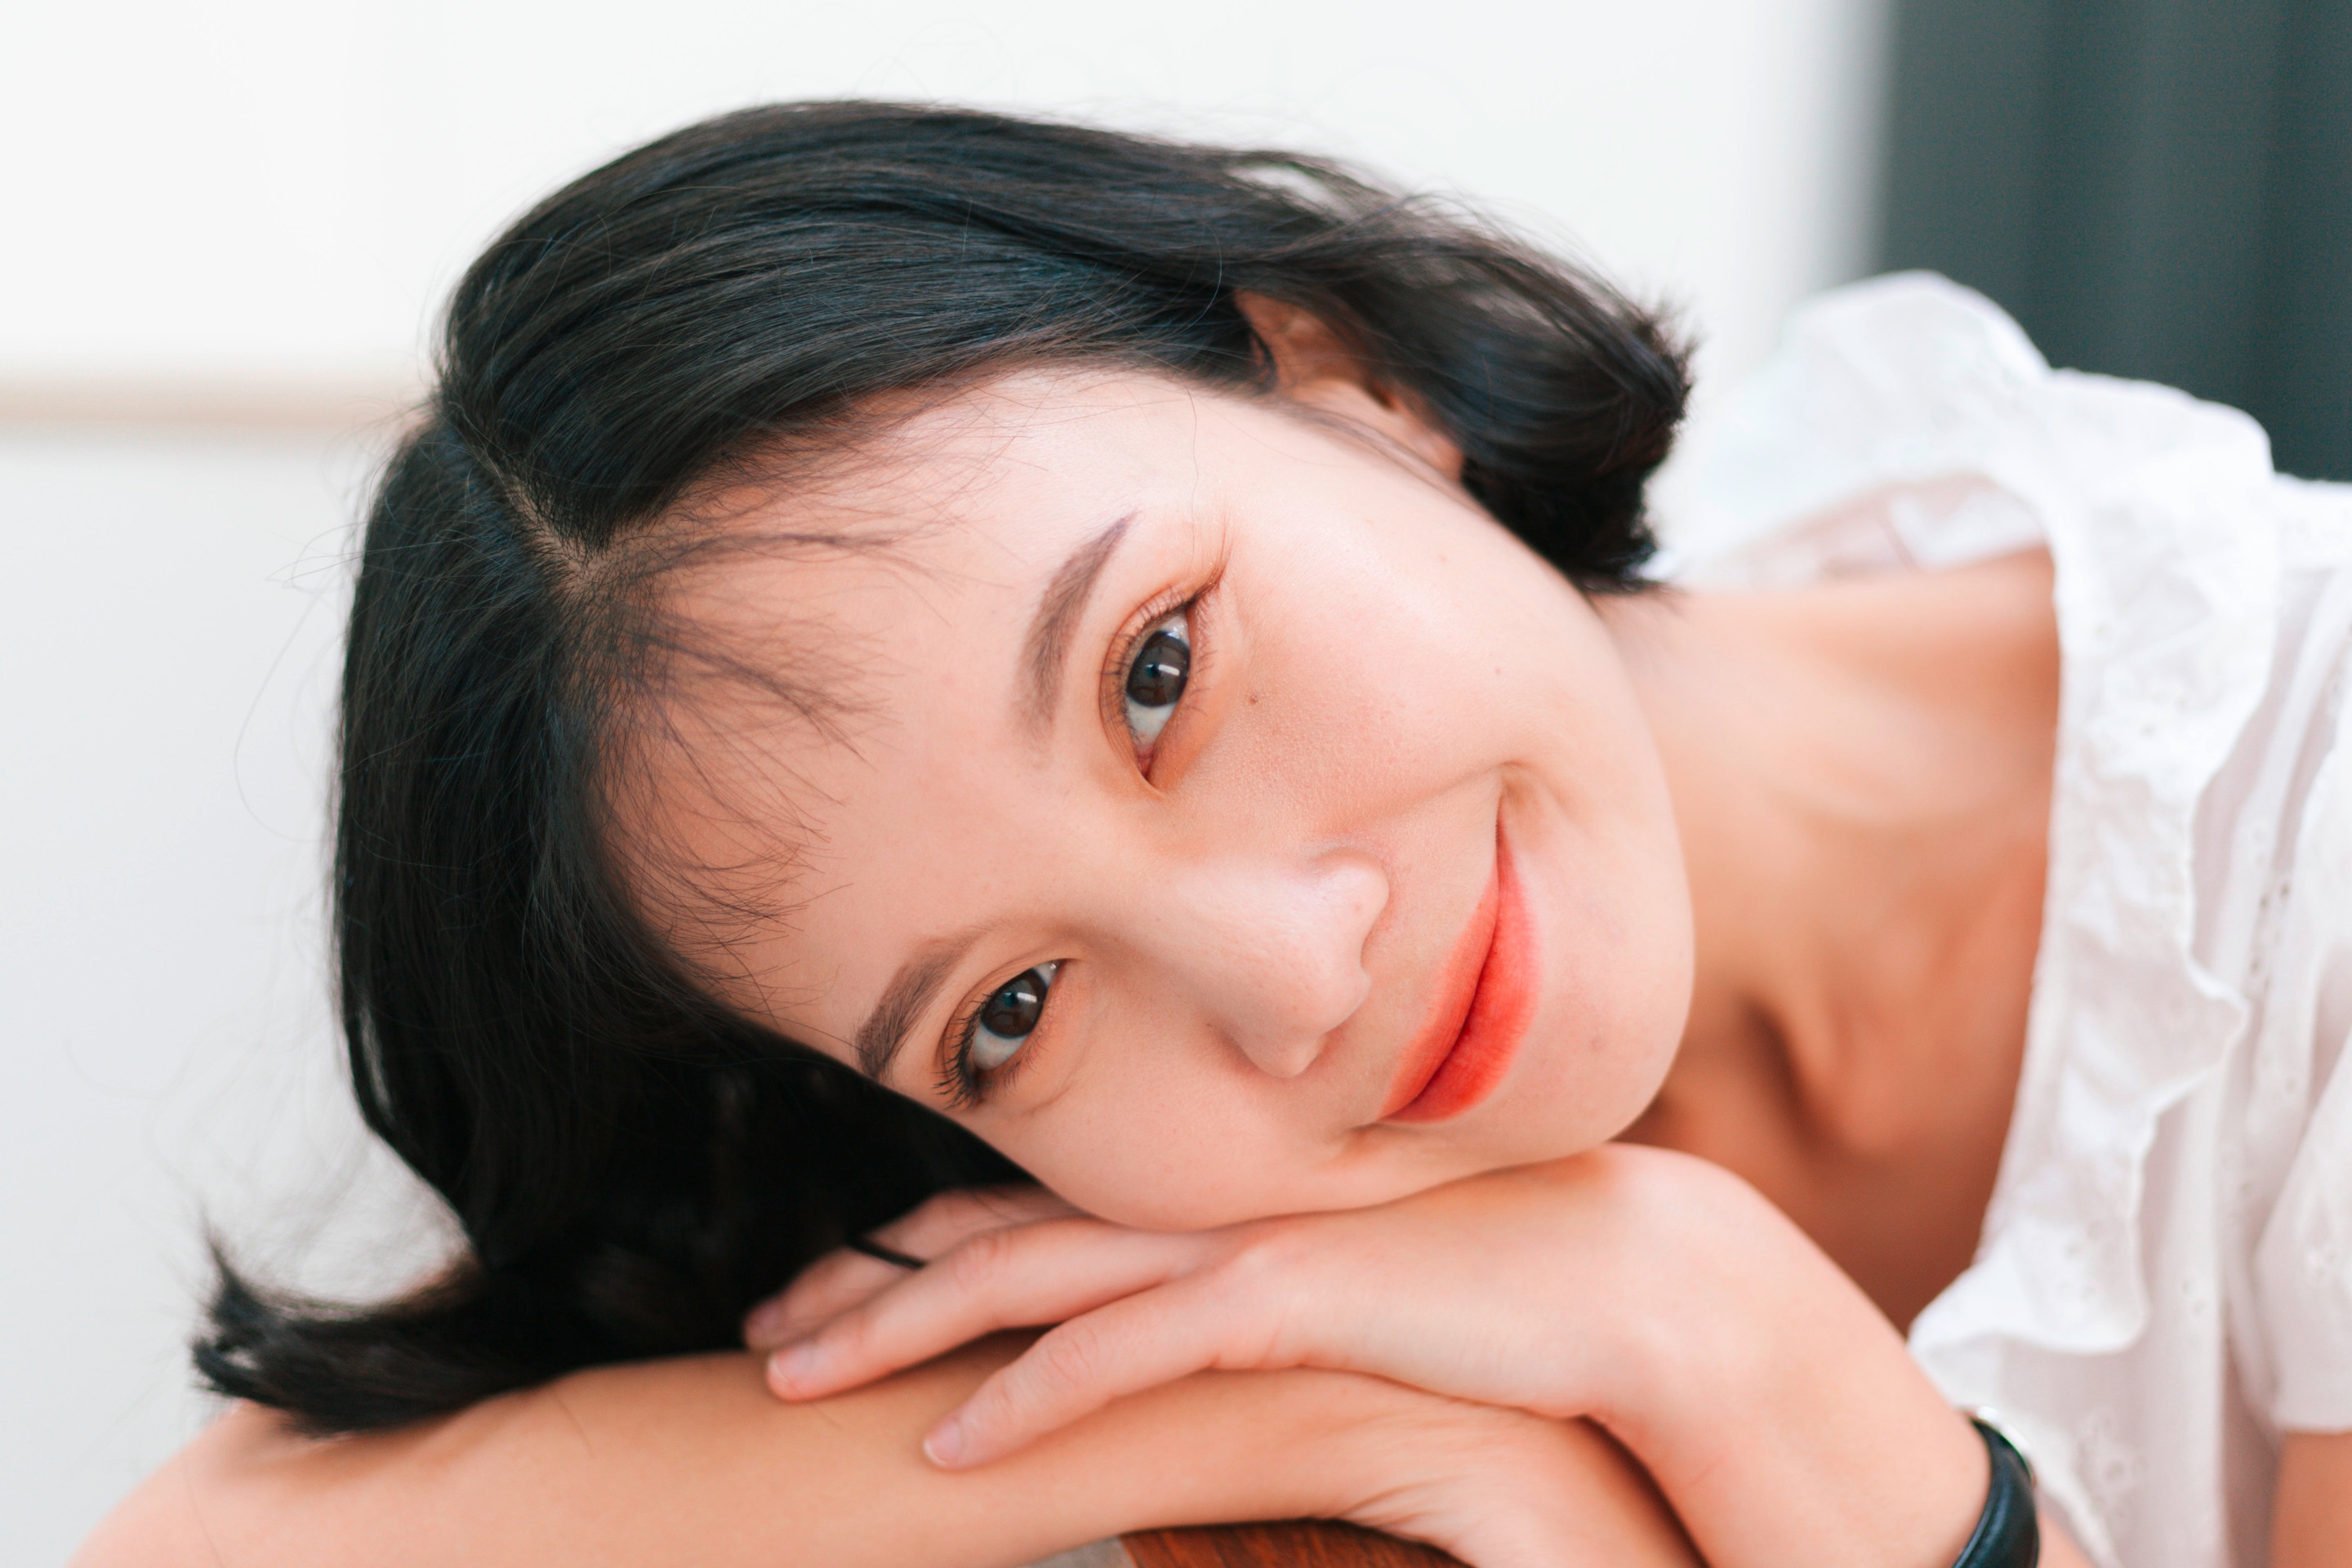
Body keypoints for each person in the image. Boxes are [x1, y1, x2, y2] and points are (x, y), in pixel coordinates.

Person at [77, 101, 2350, 1568]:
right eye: (1012, 1010)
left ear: (1335, 369)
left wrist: (1729, 1348)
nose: (1292, 981)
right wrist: (1389, 1438)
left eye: (1156, 670)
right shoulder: (1127, 1221)